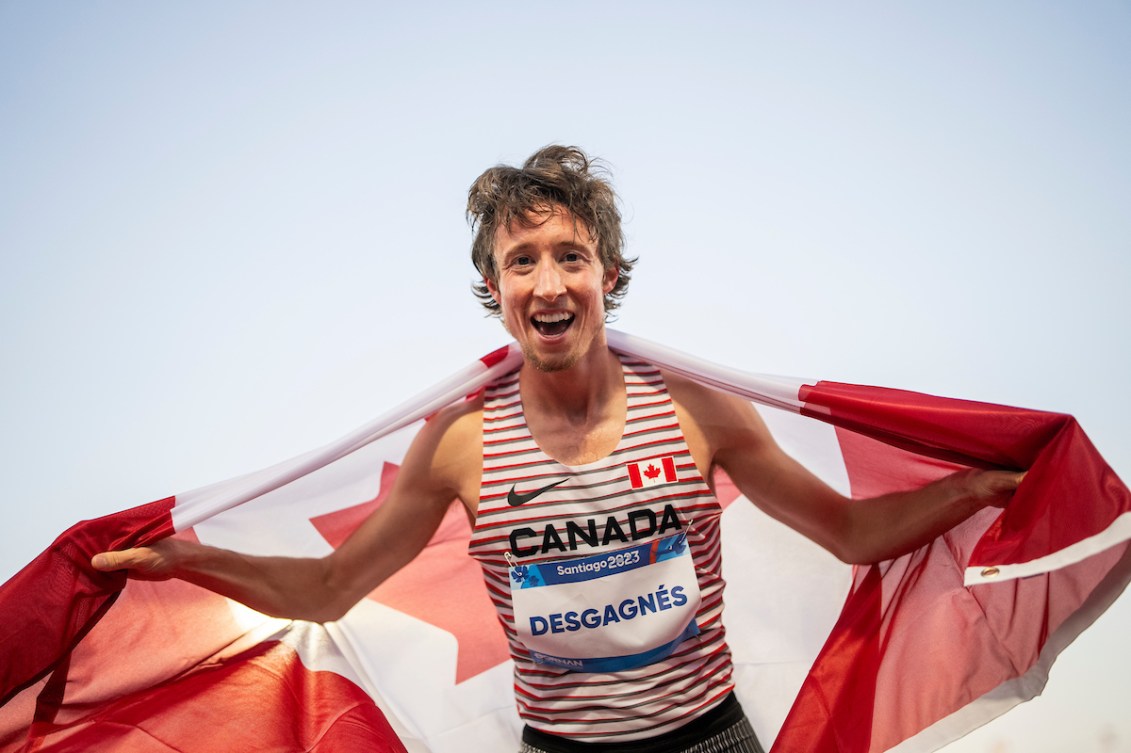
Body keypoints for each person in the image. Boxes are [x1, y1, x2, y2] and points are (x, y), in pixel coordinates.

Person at [92, 145, 1023, 753]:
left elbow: (854, 533)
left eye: (569, 255)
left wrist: (977, 487)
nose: (548, 280)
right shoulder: (457, 446)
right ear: (493, 290)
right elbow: (326, 590)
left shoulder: (697, 411)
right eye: (520, 260)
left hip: (710, 738)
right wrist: (191, 560)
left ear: (605, 277)